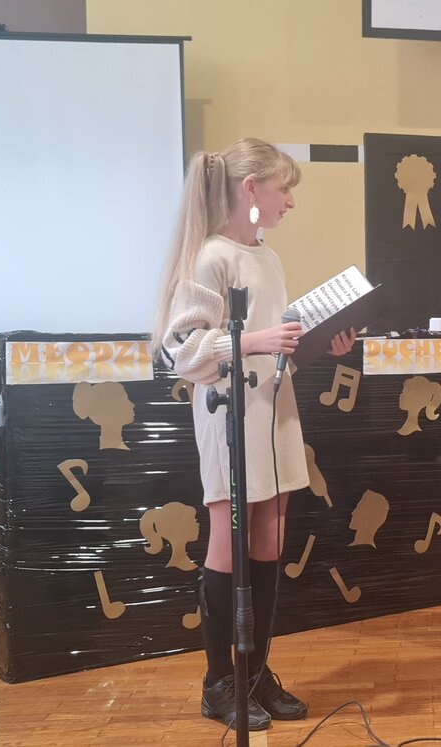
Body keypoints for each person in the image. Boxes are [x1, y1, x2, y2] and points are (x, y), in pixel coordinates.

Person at [154, 137, 355, 731]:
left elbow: (275, 347)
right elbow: (180, 351)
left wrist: (317, 344)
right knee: (229, 539)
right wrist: (254, 341)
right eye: (283, 188)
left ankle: (256, 669)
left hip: (275, 409)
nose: (289, 201)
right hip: (230, 415)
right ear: (251, 190)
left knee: (270, 535)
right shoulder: (210, 258)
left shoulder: (268, 258)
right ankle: (220, 681)